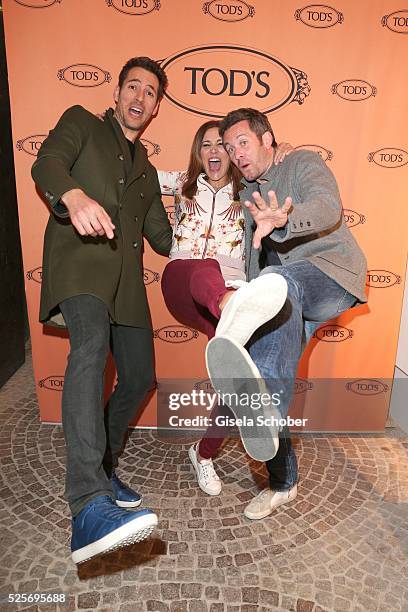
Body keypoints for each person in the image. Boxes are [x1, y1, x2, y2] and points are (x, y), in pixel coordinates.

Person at [31, 57, 173, 563]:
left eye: (151, 92)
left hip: (128, 286)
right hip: (82, 267)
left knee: (139, 379)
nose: (140, 96)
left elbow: (163, 238)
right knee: (90, 349)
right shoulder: (81, 123)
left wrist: (204, 208)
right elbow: (45, 163)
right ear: (117, 93)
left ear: (156, 108)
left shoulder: (150, 172)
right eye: (133, 86)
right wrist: (71, 194)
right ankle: (88, 504)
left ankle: (105, 464)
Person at [205, 107, 367, 520]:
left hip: (332, 275)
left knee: (282, 281)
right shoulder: (246, 195)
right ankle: (282, 480)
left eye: (243, 142)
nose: (235, 153)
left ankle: (248, 338)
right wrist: (249, 285)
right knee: (263, 382)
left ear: (268, 139)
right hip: (286, 296)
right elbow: (257, 255)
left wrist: (285, 219)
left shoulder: (302, 162)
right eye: (229, 147)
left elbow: (328, 206)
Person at [158, 121, 292, 496]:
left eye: (223, 145)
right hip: (183, 281)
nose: (215, 151)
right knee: (206, 269)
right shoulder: (180, 183)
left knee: (236, 376)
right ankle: (230, 306)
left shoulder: (247, 190)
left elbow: (278, 172)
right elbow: (131, 174)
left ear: (233, 154)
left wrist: (282, 150)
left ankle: (203, 454)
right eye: (207, 145)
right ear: (198, 152)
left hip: (231, 285)